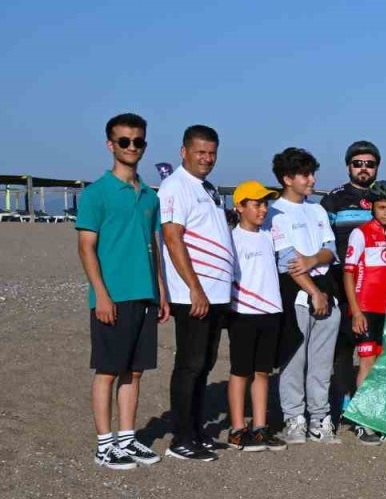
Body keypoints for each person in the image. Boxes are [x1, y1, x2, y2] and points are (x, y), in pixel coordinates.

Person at [77, 113, 169, 469]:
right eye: (124, 141)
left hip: (144, 294)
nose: (132, 147)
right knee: (108, 370)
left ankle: (128, 439)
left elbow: (154, 244)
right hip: (112, 296)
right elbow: (86, 247)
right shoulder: (97, 193)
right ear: (110, 145)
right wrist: (100, 293)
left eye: (138, 141)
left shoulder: (148, 196)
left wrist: (160, 289)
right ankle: (105, 444)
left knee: (135, 371)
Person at [159, 124, 233, 462]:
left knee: (205, 364)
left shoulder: (208, 188)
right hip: (194, 294)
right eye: (201, 152)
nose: (207, 158)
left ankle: (197, 431)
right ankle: (181, 438)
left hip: (217, 293)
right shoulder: (176, 187)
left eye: (212, 153)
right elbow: (173, 238)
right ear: (183, 151)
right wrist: (195, 289)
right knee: (189, 364)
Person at [268, 147, 342, 445]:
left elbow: (330, 250)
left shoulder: (318, 209)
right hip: (295, 294)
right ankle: (294, 418)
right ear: (287, 178)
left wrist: (312, 261)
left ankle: (320, 419)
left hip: (327, 289)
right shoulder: (274, 212)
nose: (312, 180)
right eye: (305, 174)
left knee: (322, 363)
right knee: (294, 360)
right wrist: (313, 291)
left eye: (313, 173)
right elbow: (287, 260)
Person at [321, 140, 381, 419]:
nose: (364, 169)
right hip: (341, 279)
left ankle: (367, 401)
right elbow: (322, 239)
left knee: (372, 346)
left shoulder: (384, 196)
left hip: (375, 283)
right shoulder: (335, 198)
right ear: (349, 166)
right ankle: (343, 398)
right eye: (358, 164)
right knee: (343, 344)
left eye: (369, 164)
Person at [226, 180, 287, 453]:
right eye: (256, 203)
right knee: (241, 372)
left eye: (265, 203)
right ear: (239, 207)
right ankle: (238, 428)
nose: (263, 209)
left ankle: (260, 427)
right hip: (242, 313)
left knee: (263, 372)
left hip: (271, 311)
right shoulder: (231, 238)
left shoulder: (269, 235)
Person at [343, 180, 386, 445]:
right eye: (382, 207)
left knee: (382, 365)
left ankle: (377, 414)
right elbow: (348, 274)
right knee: (367, 362)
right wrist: (355, 311)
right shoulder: (361, 233)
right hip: (366, 307)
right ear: (372, 207)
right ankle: (361, 420)